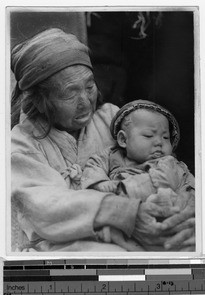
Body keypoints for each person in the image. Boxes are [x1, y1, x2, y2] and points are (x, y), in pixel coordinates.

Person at [11, 28, 195, 252]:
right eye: (70, 93)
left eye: (89, 87)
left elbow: (169, 165)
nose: (85, 102)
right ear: (39, 101)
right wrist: (124, 214)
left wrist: (187, 207)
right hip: (65, 246)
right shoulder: (22, 144)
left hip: (143, 224)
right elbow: (46, 205)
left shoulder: (112, 118)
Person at [82, 100, 195, 251]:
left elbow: (193, 188)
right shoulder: (111, 155)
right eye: (149, 135)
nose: (159, 143)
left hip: (165, 213)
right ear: (123, 140)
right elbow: (94, 165)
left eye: (166, 137)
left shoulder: (173, 164)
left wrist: (187, 195)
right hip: (125, 215)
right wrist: (99, 183)